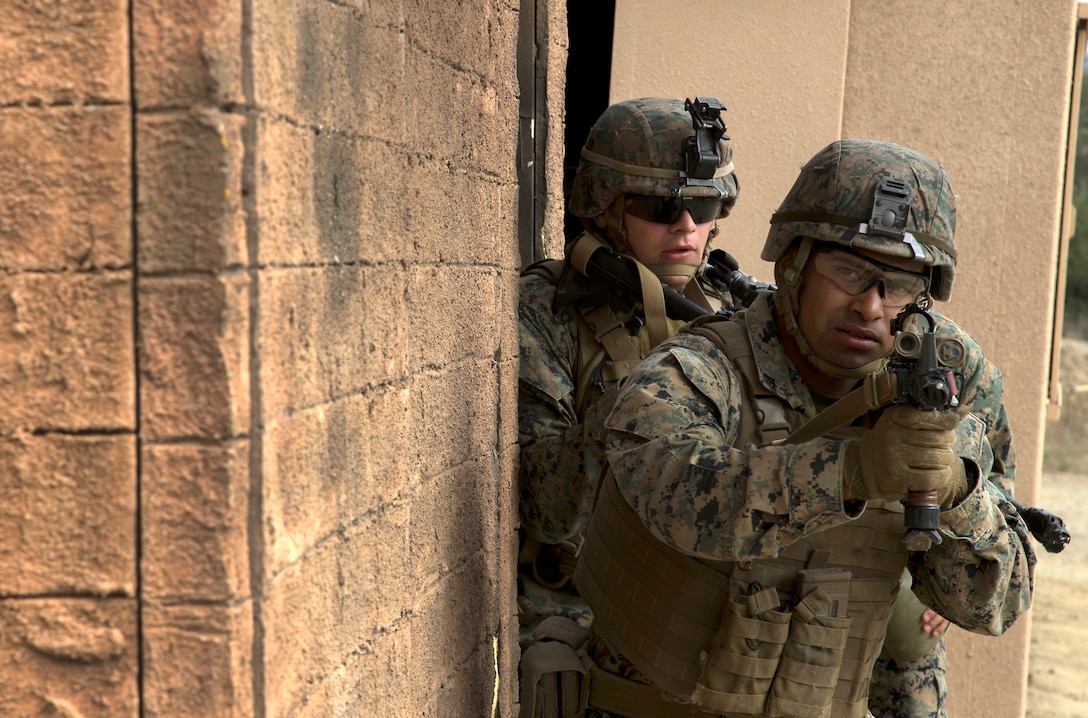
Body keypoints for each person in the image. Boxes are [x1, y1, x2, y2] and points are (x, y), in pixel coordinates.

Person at [570, 139, 1035, 718]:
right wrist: (851, 473)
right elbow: (673, 496)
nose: (871, 306)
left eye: (899, 286)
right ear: (791, 264)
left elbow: (997, 605)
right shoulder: (695, 370)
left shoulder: (932, 405)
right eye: (848, 271)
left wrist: (958, 493)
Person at [516, 96, 741, 714]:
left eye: (704, 205)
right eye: (663, 208)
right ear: (605, 206)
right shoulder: (548, 309)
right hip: (574, 619)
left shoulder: (730, 313)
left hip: (697, 622)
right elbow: (550, 511)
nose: (687, 227)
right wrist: (644, 394)